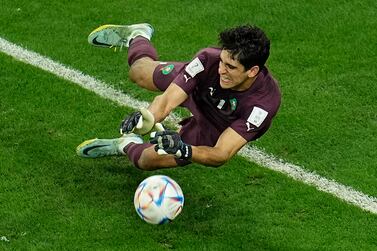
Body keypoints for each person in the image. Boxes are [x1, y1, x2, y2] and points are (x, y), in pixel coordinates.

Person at [76, 23, 281, 170]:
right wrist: (145, 118)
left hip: (215, 125)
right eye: (222, 61)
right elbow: (166, 102)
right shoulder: (208, 60)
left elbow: (220, 154)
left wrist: (183, 149)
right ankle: (138, 35)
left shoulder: (262, 106)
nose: (221, 70)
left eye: (230, 67)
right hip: (198, 88)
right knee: (138, 73)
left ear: (252, 71)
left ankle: (126, 144)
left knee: (147, 161)